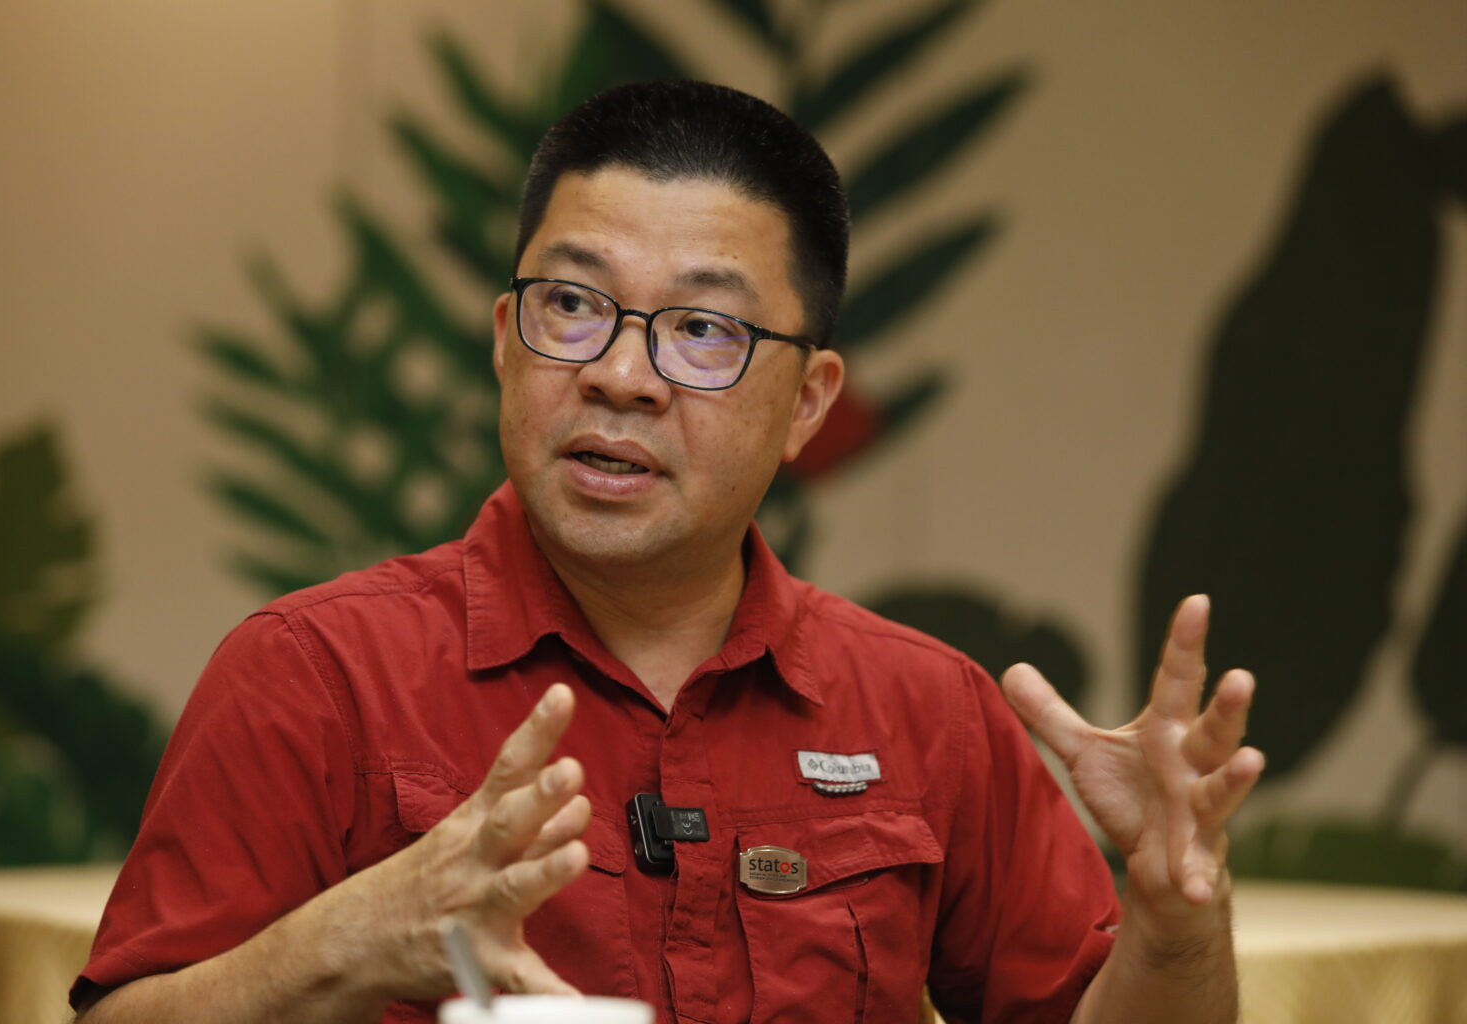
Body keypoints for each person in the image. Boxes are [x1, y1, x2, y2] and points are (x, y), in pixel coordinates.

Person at [72, 80, 1263, 1024]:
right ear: (506, 339)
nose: (620, 375)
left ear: (809, 402)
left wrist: (1175, 929)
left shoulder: (926, 710)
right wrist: (352, 942)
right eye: (573, 305)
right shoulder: (315, 672)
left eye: (701, 328)